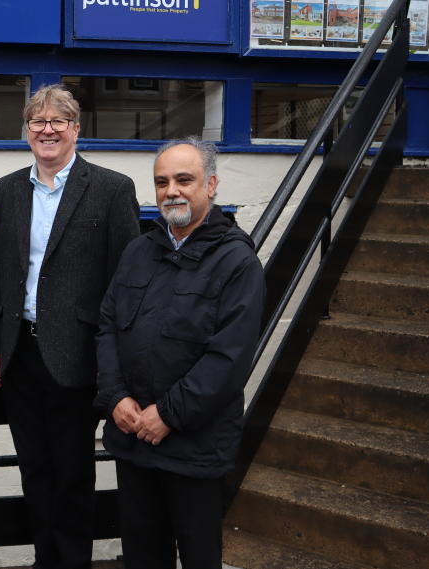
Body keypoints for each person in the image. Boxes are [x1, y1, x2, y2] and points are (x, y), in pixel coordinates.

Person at [0, 84, 140, 569]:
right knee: (35, 472)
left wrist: (118, 360)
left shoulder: (112, 189)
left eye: (58, 121)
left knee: (72, 476)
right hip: (18, 357)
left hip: (77, 359)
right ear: (26, 131)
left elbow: (126, 282)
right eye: (37, 122)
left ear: (75, 129)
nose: (47, 130)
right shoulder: (7, 189)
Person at [95, 138, 264, 569]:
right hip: (133, 438)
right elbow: (108, 327)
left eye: (184, 180)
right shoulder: (138, 250)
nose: (172, 190)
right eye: (162, 181)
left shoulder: (236, 261)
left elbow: (228, 359)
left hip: (194, 446)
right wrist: (115, 397)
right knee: (142, 553)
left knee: (198, 555)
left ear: (210, 185)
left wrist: (168, 414)